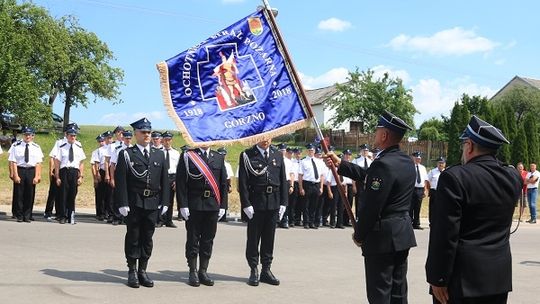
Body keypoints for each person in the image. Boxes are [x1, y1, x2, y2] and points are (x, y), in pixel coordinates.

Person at [426, 115, 522, 304]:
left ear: (469, 145)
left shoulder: (455, 177)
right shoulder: (512, 176)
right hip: (498, 278)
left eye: (464, 145)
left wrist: (437, 278)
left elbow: (445, 234)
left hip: (462, 281)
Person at [325, 110, 417, 303]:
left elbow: (372, 207)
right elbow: (371, 176)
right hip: (402, 235)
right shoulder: (406, 161)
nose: (374, 135)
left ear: (384, 135)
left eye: (377, 131)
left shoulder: (382, 164)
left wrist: (359, 235)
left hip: (382, 239)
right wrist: (341, 163)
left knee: (380, 294)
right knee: (398, 292)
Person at [114, 118, 170, 288]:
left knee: (147, 237)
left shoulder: (159, 154)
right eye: (143, 132)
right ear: (136, 134)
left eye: (149, 132)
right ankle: (131, 270)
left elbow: (164, 180)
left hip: (152, 202)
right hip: (134, 201)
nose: (147, 135)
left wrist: (165, 201)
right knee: (133, 236)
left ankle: (143, 270)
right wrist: (123, 202)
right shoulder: (126, 154)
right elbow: (121, 180)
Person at [238, 139, 287, 286]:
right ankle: (253, 269)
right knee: (253, 238)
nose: (266, 140)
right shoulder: (247, 155)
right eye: (263, 137)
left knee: (269, 238)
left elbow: (283, 179)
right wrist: (246, 203)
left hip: (273, 202)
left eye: (269, 137)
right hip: (256, 203)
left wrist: (284, 202)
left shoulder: (277, 154)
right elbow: (243, 182)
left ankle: (266, 269)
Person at [177, 144, 228, 287]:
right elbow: (181, 182)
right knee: (193, 238)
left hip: (212, 204)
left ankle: (203, 270)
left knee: (208, 239)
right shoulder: (188, 156)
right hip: (194, 204)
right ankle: (192, 270)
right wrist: (183, 204)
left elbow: (223, 183)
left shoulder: (218, 157)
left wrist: (223, 205)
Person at [44, 123, 80, 220]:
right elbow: (53, 157)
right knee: (55, 192)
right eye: (71, 131)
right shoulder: (59, 142)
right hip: (59, 169)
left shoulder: (77, 144)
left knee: (70, 193)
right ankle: (50, 211)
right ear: (66, 132)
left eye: (75, 131)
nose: (73, 134)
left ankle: (67, 213)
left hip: (72, 171)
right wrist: (51, 170)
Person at [8, 127, 43, 222]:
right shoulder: (16, 145)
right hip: (20, 170)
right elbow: (13, 161)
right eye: (26, 134)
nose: (27, 136)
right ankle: (19, 215)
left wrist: (37, 176)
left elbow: (38, 163)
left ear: (33, 136)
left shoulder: (37, 147)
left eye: (29, 135)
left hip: (31, 170)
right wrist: (15, 174)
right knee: (19, 194)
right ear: (23, 135)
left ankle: (27, 215)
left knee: (30, 194)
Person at [54, 127, 86, 224]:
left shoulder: (79, 147)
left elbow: (81, 163)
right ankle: (62, 216)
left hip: (74, 172)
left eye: (74, 135)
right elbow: (57, 162)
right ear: (67, 136)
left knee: (72, 194)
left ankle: (71, 216)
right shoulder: (62, 147)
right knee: (63, 194)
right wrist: (57, 176)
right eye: (71, 135)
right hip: (64, 171)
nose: (73, 137)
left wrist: (81, 176)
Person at [298, 143, 325, 229]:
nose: (311, 152)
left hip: (316, 184)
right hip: (307, 184)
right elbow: (300, 176)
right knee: (306, 204)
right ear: (307, 151)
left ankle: (311, 222)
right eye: (309, 150)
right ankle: (306, 222)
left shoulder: (319, 162)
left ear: (314, 151)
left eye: (312, 150)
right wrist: (301, 188)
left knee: (314, 204)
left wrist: (321, 187)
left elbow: (321, 176)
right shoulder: (303, 161)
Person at [156, 131, 180, 228]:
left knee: (170, 199)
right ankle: (160, 220)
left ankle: (168, 220)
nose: (167, 142)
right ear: (162, 140)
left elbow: (179, 168)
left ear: (171, 140)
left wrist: (176, 181)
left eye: (169, 140)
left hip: (172, 177)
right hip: (161, 177)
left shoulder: (176, 153)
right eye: (165, 140)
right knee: (161, 199)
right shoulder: (159, 152)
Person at [90, 135, 108, 221]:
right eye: (100, 141)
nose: (101, 143)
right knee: (100, 194)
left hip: (107, 172)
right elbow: (93, 166)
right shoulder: (96, 152)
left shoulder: (109, 149)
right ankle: (100, 213)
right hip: (100, 172)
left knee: (108, 194)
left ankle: (107, 212)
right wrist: (95, 177)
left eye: (103, 141)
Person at [410, 151, 428, 229]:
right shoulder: (409, 166)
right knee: (410, 207)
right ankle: (409, 223)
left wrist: (425, 190)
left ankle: (416, 224)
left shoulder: (423, 168)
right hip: (411, 189)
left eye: (419, 159)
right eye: (416, 158)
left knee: (418, 207)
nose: (418, 160)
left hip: (420, 189)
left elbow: (425, 180)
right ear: (413, 158)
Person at [427, 157, 446, 226]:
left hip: (443, 192)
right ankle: (431, 222)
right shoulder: (432, 171)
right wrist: (429, 190)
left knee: (442, 207)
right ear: (437, 164)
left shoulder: (447, 171)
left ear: (445, 164)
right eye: (439, 163)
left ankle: (441, 222)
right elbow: (427, 181)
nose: (440, 164)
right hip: (434, 191)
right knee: (432, 208)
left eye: (442, 163)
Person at [217, 147, 234, 222]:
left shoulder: (227, 165)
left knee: (224, 200)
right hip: (217, 184)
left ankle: (223, 217)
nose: (223, 156)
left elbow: (229, 177)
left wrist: (230, 186)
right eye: (221, 154)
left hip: (225, 183)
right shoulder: (215, 162)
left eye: (224, 155)